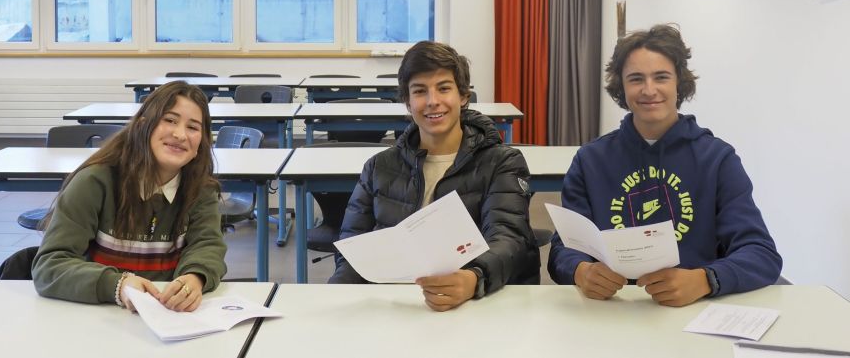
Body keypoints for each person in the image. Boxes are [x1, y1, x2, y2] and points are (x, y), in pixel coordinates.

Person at [548, 24, 782, 307]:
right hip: (613, 310)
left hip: (694, 310)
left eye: (661, 77)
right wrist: (580, 271)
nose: (649, 90)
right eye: (636, 79)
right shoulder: (590, 161)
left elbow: (762, 254)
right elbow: (564, 247)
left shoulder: (718, 160)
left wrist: (707, 279)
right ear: (621, 86)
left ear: (679, 83)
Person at [329, 41, 540, 311]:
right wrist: (335, 302)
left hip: (474, 301)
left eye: (444, 88)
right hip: (397, 307)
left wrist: (473, 278)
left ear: (463, 96)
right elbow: (351, 251)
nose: (432, 101)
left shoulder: (501, 162)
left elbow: (508, 238)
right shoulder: (378, 167)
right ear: (407, 101)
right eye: (419, 91)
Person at [33, 81, 227, 312]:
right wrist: (118, 284)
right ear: (143, 125)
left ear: (202, 143)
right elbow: (50, 265)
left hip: (170, 317)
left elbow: (208, 246)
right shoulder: (95, 182)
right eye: (170, 120)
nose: (180, 134)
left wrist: (195, 277)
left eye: (193, 128)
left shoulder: (201, 189)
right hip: (98, 316)